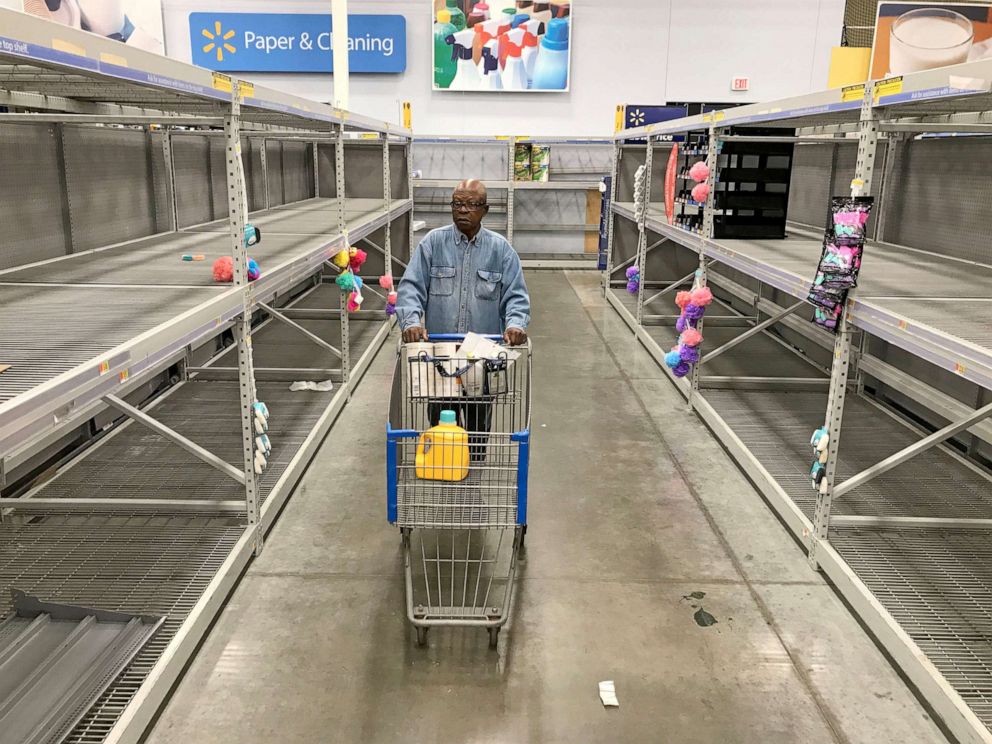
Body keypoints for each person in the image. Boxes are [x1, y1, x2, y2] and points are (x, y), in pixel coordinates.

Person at [396, 179, 531, 453]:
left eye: (471, 204)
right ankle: (445, 471)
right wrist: (411, 322)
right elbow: (411, 287)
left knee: (478, 429)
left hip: (482, 358)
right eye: (457, 204)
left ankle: (476, 467)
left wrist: (515, 324)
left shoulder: (501, 250)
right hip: (440, 356)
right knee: (441, 427)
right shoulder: (433, 243)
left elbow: (516, 296)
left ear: (485, 209)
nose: (463, 210)